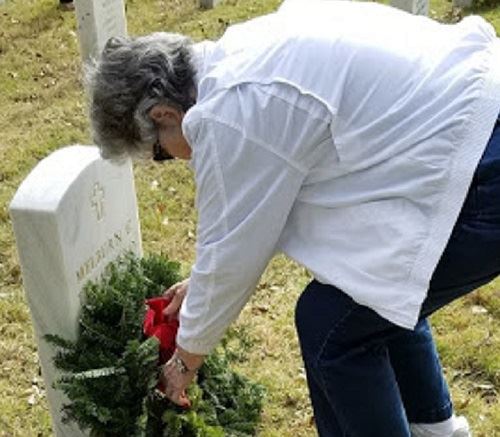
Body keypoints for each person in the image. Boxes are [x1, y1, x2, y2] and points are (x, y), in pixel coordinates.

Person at [86, 1, 500, 436]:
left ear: (164, 115)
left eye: (159, 153)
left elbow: (231, 252)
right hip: (469, 124)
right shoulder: (244, 54)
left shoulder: (231, 110)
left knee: (333, 329)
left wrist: (184, 361)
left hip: (481, 164)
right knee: (368, 289)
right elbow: (255, 216)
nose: (172, 157)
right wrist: (200, 285)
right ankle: (438, 431)